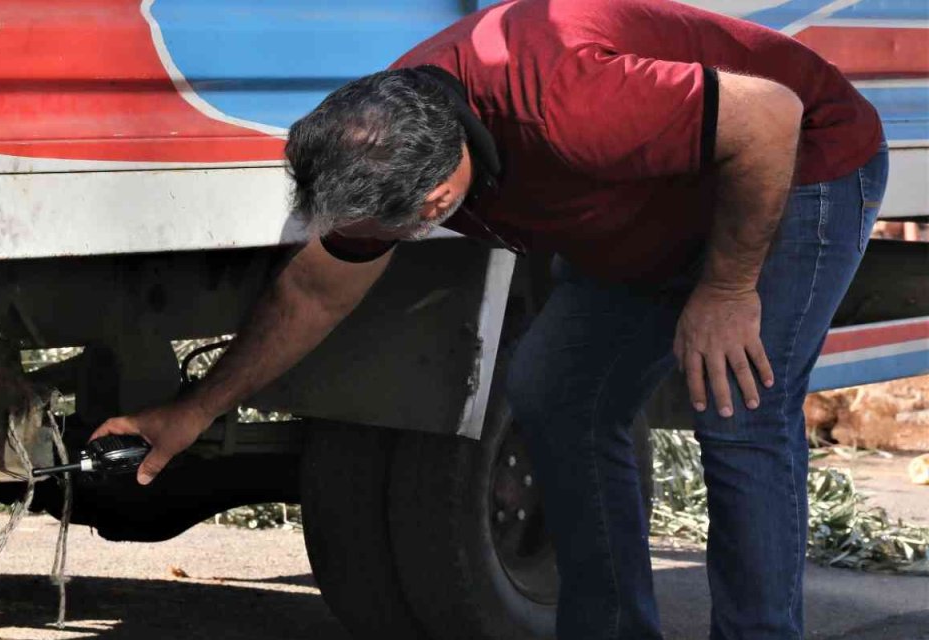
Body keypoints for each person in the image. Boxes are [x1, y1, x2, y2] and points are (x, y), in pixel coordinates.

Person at [90, 1, 886, 637]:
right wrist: (193, 412)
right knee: (556, 395)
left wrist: (726, 292)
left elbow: (769, 116)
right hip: (653, 201)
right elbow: (314, 293)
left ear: (438, 197)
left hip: (799, 161)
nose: (379, 242)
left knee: (737, 402)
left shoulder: (567, 101)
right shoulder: (380, 137)